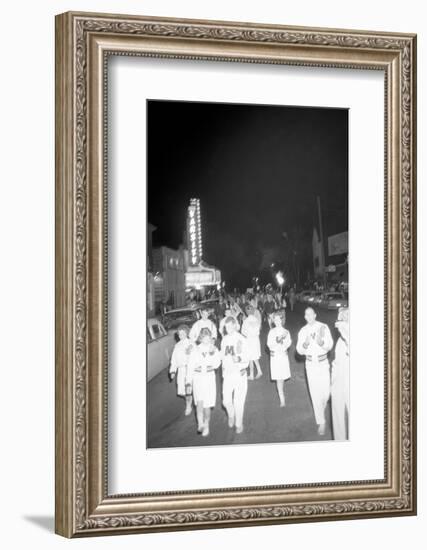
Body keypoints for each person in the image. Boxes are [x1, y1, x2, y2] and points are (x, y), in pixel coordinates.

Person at [296, 307, 334, 435]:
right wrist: (305, 344)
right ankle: (321, 422)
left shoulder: (323, 327)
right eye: (306, 314)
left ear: (315, 315)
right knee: (315, 393)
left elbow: (329, 345)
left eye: (311, 314)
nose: (309, 316)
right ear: (305, 317)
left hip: (323, 363)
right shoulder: (303, 331)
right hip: (310, 364)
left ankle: (320, 409)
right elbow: (299, 351)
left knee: (326, 393)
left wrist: (321, 342)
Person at [185, 328, 221, 436]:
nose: (206, 340)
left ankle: (207, 425)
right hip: (198, 378)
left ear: (210, 338)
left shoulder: (214, 349)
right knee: (199, 403)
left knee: (207, 406)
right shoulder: (195, 349)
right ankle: (200, 424)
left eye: (208, 338)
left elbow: (216, 365)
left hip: (209, 378)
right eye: (204, 338)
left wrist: (213, 353)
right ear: (200, 338)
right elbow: (190, 367)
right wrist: (188, 382)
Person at [220, 316, 250, 434]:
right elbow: (222, 357)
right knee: (226, 401)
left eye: (229, 326)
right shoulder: (224, 340)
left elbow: (248, 355)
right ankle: (231, 415)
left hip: (239, 374)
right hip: (228, 374)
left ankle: (239, 423)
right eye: (225, 327)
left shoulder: (241, 339)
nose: (227, 329)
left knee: (238, 401)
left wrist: (239, 358)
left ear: (234, 325)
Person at [331, 307, 350, 440]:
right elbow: (336, 363)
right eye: (340, 317)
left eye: (345, 316)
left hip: (350, 383)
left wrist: (347, 334)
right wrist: (332, 383)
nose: (341, 319)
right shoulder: (339, 341)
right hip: (338, 382)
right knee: (337, 416)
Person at [267, 310, 292, 406]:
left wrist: (284, 345)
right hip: (275, 357)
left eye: (279, 319)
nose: (277, 321)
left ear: (282, 320)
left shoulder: (286, 332)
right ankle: (282, 399)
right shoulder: (271, 332)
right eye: (275, 320)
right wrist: (276, 342)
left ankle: (281, 392)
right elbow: (269, 344)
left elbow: (288, 343)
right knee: (278, 378)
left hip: (282, 356)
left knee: (282, 377)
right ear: (273, 321)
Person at [169, 324, 194, 416]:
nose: (181, 336)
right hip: (181, 371)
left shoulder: (191, 343)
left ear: (187, 333)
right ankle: (190, 398)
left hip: (189, 369)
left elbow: (195, 356)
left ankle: (188, 406)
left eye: (183, 333)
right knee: (182, 391)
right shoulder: (177, 345)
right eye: (179, 334)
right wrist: (172, 371)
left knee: (188, 389)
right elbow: (174, 360)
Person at [241, 306, 263, 380]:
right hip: (256, 340)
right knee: (254, 356)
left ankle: (251, 374)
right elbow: (258, 330)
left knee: (250, 357)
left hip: (249, 340)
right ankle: (259, 371)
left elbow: (243, 332)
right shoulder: (256, 320)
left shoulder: (246, 321)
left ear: (247, 313)